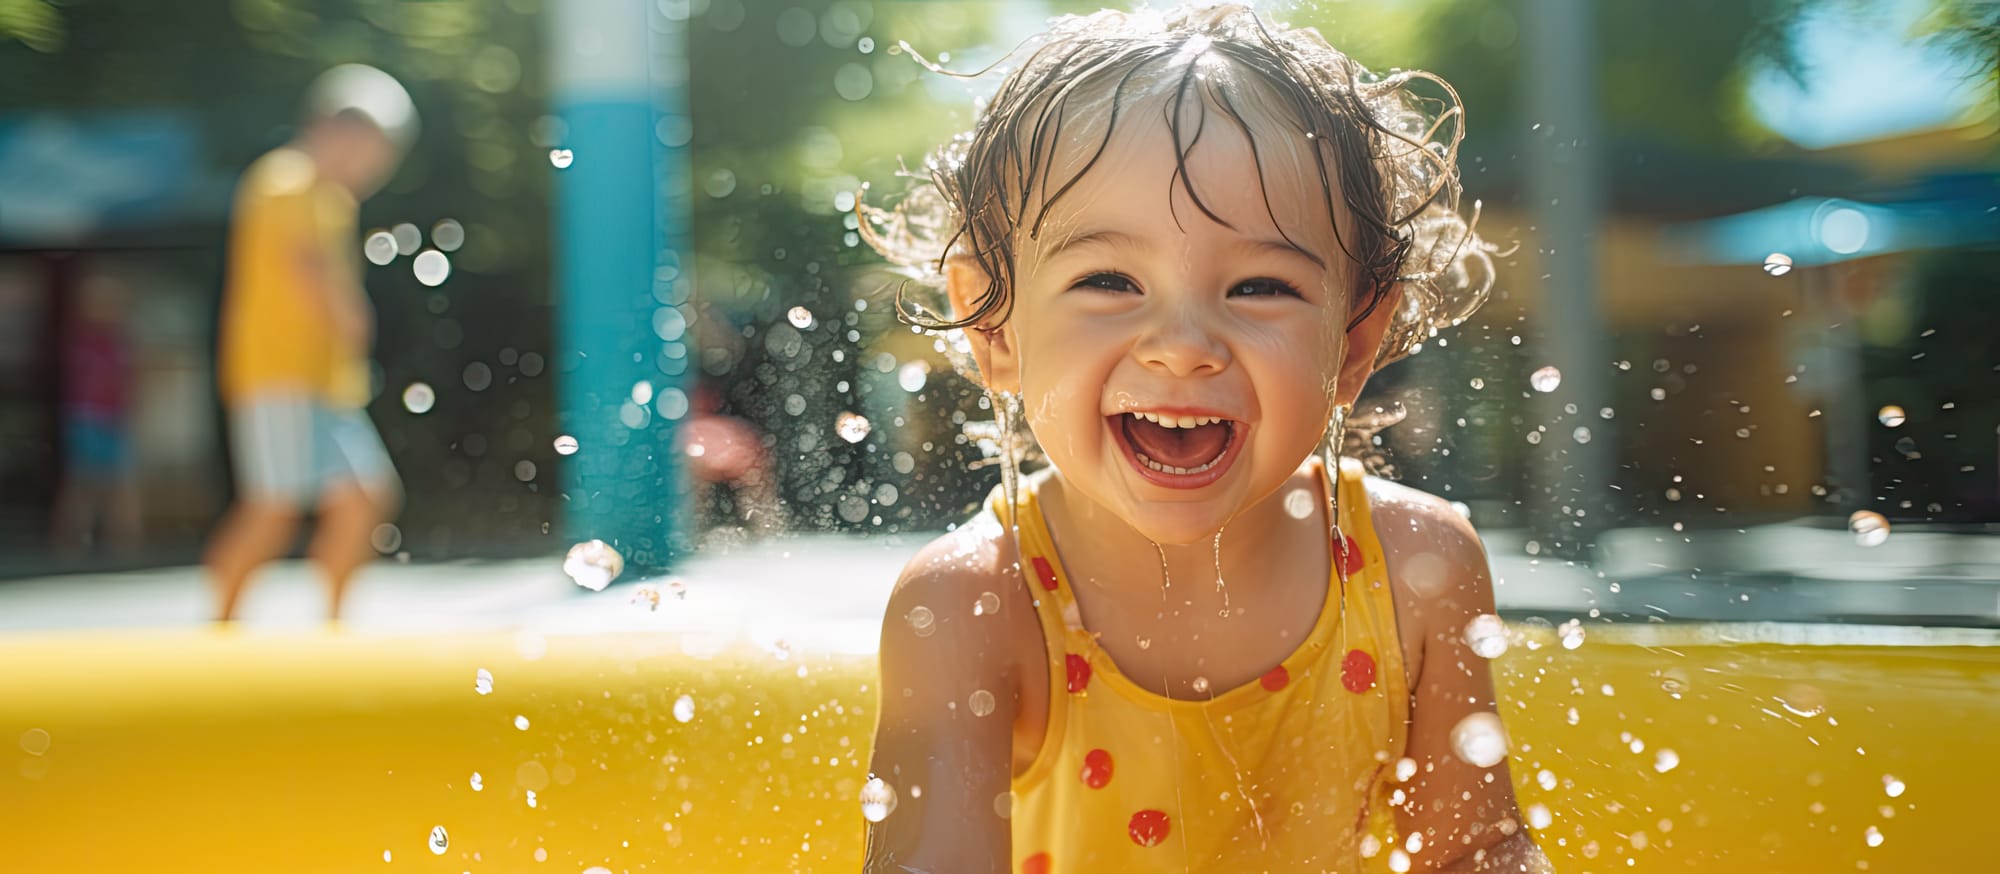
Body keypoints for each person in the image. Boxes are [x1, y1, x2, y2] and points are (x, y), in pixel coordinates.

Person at [858, 5, 1546, 871]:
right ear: (994, 328)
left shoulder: (1417, 570)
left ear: (1355, 341)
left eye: (1260, 286)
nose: (1183, 345)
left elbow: (1472, 852)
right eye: (1108, 279)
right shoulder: (975, 604)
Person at [204, 64, 416, 624]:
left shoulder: (330, 199)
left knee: (364, 499)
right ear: (336, 130)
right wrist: (349, 312)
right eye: (372, 155)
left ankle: (333, 630)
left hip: (327, 384)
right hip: (279, 377)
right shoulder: (284, 180)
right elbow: (303, 267)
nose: (374, 171)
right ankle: (215, 640)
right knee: (273, 510)